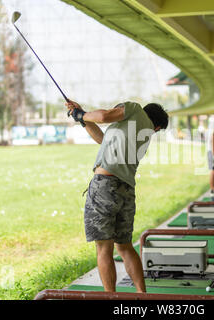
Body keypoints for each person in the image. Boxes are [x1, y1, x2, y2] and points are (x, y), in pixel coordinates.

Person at [66, 99, 169, 293]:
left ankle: (111, 299)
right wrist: (82, 116)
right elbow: (102, 139)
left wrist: (81, 115)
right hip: (126, 191)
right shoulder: (141, 132)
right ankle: (142, 294)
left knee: (104, 248)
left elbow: (104, 116)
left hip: (105, 186)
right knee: (124, 247)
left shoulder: (135, 109)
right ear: (156, 125)